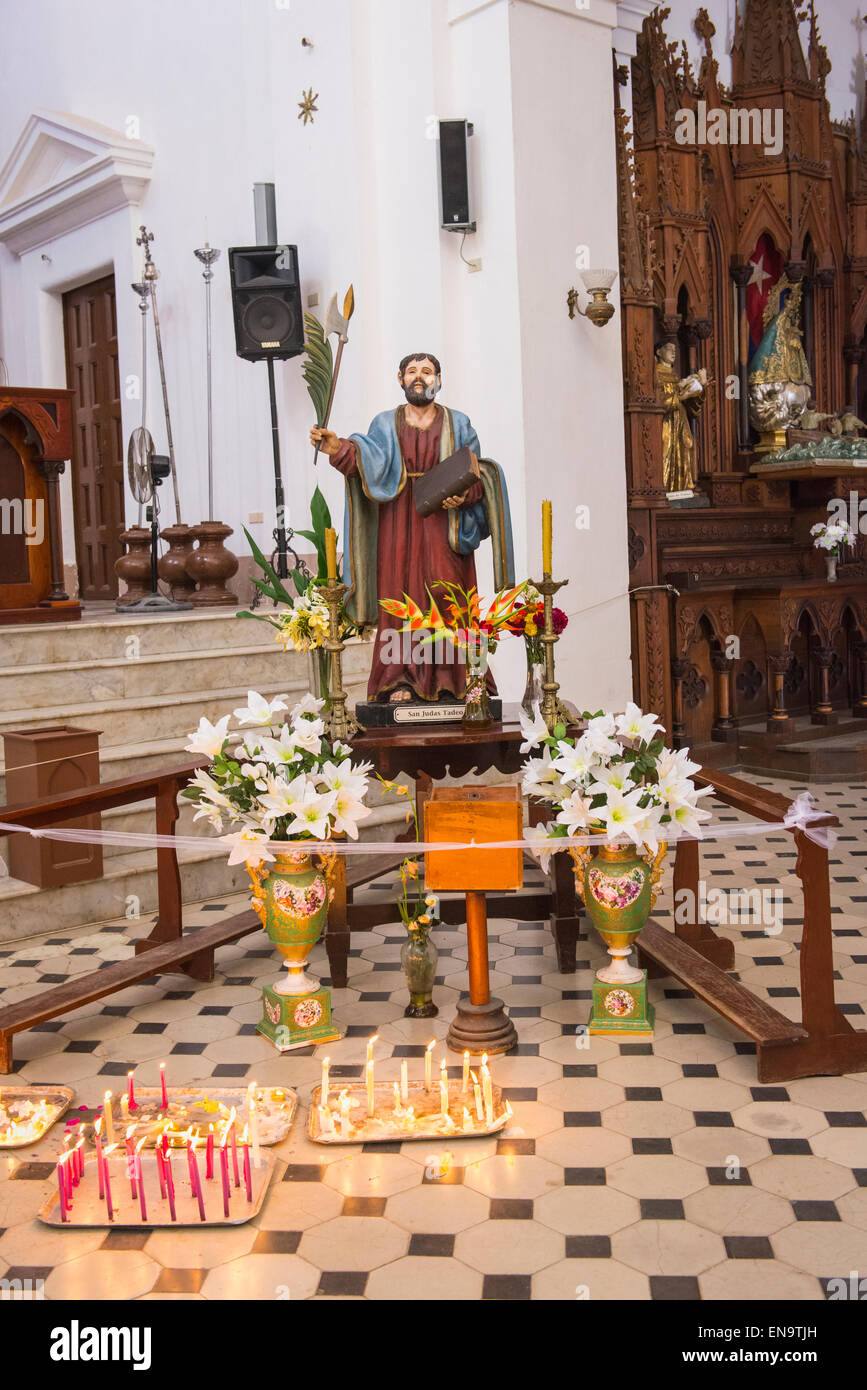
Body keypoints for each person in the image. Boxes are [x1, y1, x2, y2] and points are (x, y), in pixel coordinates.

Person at [310, 352, 513, 703]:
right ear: (400, 378)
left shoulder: (460, 424)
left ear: (439, 379)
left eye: (428, 372)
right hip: (398, 525)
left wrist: (461, 495)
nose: (420, 378)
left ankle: (460, 682)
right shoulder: (385, 424)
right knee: (399, 600)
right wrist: (337, 448)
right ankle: (399, 680)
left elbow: (476, 476)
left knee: (450, 599)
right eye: (413, 372)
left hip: (443, 528)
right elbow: (364, 460)